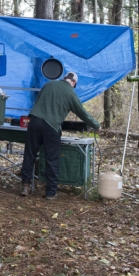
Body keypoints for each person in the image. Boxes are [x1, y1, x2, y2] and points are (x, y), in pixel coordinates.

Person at [19, 71, 100, 199]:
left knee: (30, 154)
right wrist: (96, 125)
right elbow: (83, 113)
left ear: (64, 78)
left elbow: (38, 102)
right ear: (74, 83)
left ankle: (25, 185)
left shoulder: (48, 85)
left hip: (34, 122)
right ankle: (50, 192)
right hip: (51, 126)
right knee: (52, 158)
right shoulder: (71, 93)